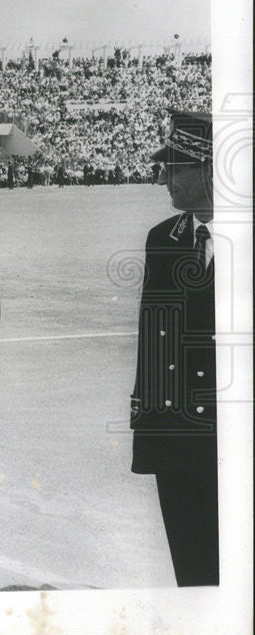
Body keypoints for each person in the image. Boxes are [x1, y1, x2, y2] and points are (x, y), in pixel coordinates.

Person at [130, 110, 218, 587]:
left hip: (235, 438)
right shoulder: (163, 240)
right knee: (192, 568)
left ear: (211, 169)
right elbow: (153, 340)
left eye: (175, 167)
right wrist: (152, 438)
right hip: (181, 440)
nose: (163, 178)